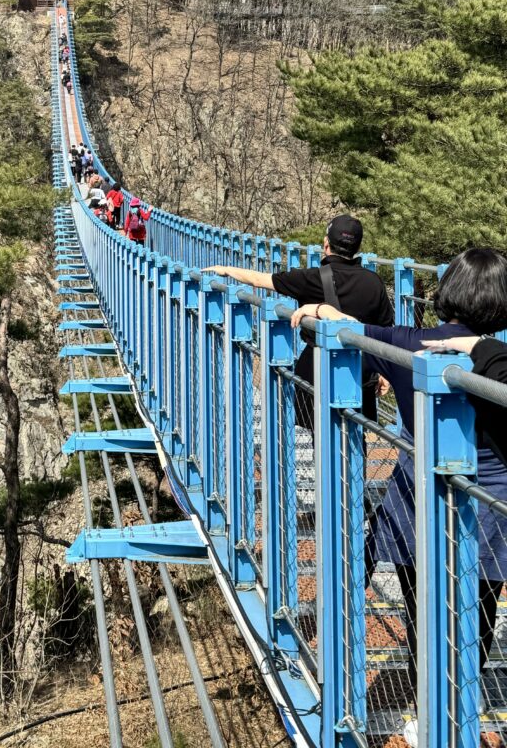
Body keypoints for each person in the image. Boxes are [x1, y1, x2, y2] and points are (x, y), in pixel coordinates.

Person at [290, 248, 507, 714]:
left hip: (416, 497)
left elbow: (356, 335)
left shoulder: (406, 343)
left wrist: (323, 312)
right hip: (489, 505)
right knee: (478, 615)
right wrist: (480, 348)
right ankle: (459, 709)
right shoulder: (499, 361)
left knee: (420, 611)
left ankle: (427, 703)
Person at [206, 215, 393, 428]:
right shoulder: (374, 282)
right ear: (357, 247)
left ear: (325, 243)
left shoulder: (311, 278)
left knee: (320, 433)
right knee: (356, 434)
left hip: (318, 368)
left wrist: (226, 269)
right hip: (360, 371)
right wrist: (384, 372)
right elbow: (385, 330)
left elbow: (260, 280)